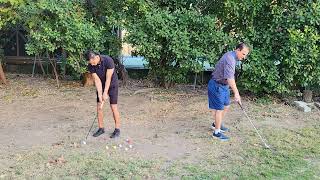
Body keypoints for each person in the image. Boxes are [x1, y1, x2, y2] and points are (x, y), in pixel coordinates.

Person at [208, 43, 250, 141]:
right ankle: (216, 133)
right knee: (219, 109)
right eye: (243, 54)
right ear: (237, 50)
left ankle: (215, 124)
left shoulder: (233, 56)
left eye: (246, 55)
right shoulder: (230, 59)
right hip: (216, 85)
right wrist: (236, 93)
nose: (244, 57)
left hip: (224, 86)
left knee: (226, 106)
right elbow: (230, 78)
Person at [85, 51, 121, 138]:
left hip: (112, 84)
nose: (92, 65)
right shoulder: (91, 65)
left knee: (113, 107)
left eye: (93, 62)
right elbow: (97, 81)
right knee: (99, 106)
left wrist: (105, 93)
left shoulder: (108, 60)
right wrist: (100, 95)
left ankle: (117, 129)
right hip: (101, 84)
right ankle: (101, 128)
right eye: (90, 63)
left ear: (96, 57)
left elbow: (108, 79)